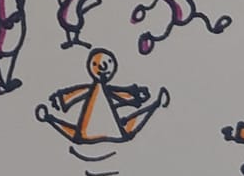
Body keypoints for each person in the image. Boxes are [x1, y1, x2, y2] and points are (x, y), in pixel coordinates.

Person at [35, 47, 168, 146]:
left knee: (130, 122)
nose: (102, 67)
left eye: (108, 62)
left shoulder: (102, 90)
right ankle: (49, 118)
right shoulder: (93, 89)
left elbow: (117, 94)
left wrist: (134, 95)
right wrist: (62, 99)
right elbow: (79, 92)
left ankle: (155, 104)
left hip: (105, 133)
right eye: (95, 64)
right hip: (88, 133)